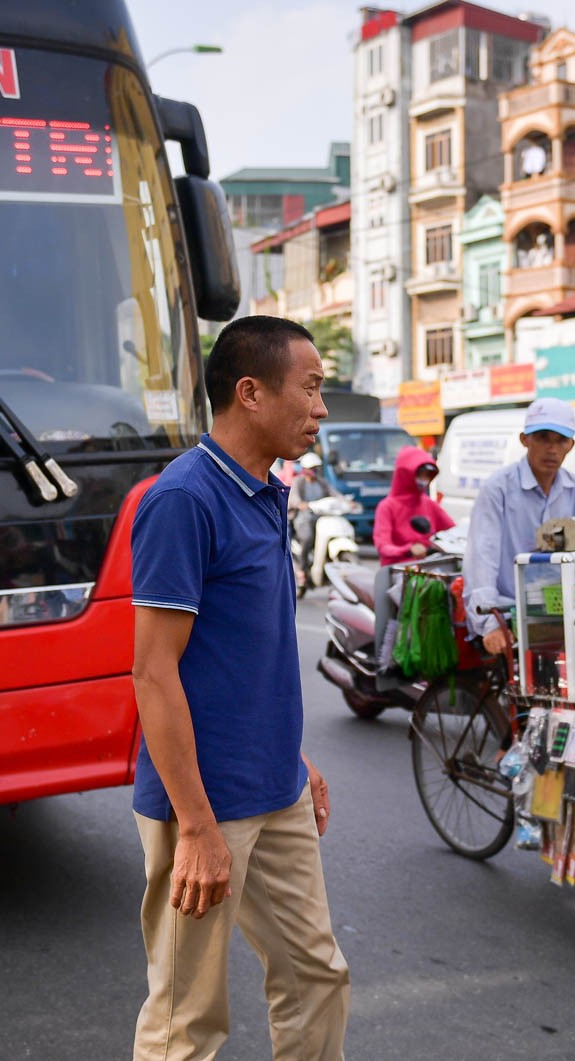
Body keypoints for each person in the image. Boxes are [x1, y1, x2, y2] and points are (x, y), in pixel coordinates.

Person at [128, 314, 349, 1060]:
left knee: (317, 974)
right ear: (250, 392)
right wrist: (194, 826)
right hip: (205, 804)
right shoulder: (184, 500)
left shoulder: (265, 492)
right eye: (311, 388)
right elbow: (153, 673)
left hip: (275, 787)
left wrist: (294, 758)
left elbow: (250, 656)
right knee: (188, 1017)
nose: (321, 408)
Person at [463, 397, 575, 655]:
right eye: (543, 438)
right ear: (525, 440)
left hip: (562, 615)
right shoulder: (499, 489)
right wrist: (490, 623)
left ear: (571, 444)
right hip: (508, 613)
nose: (552, 449)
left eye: (561, 440)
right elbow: (482, 558)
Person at [374, 445, 454, 566]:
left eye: (427, 475)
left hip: (430, 566)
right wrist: (408, 549)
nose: (424, 479)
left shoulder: (429, 504)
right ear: (406, 474)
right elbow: (383, 546)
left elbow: (452, 530)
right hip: (399, 571)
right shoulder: (386, 507)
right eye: (420, 474)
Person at [289, 451, 339, 573]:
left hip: (321, 517)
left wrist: (346, 502)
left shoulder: (321, 482)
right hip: (303, 517)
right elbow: (294, 498)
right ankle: (302, 568)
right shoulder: (299, 482)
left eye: (316, 468)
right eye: (312, 468)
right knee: (307, 538)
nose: (314, 471)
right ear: (305, 469)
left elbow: (334, 493)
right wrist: (300, 504)